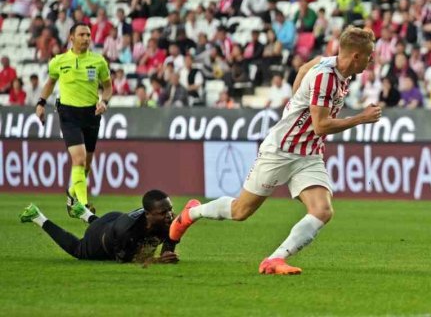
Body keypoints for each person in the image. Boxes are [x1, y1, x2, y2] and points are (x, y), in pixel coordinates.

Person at [169, 27, 382, 275]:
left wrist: (297, 101)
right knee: (241, 211)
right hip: (281, 150)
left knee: (322, 211)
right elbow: (321, 125)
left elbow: (304, 68)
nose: (371, 60)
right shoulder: (326, 77)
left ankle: (275, 259)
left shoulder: (329, 65)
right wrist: (361, 118)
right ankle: (192, 212)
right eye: (369, 55)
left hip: (308, 154)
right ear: (355, 56)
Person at [35, 23, 112, 214]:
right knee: (78, 159)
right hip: (68, 114)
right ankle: (84, 207)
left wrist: (104, 102)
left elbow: (108, 87)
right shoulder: (59, 61)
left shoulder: (99, 61)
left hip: (91, 115)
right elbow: (50, 83)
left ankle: (71, 195)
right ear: (71, 38)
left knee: (86, 165)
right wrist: (41, 103)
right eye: (82, 34)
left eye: (88, 34)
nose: (86, 38)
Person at [18, 190, 179, 264]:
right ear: (148, 214)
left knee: (113, 229)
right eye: (164, 212)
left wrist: (167, 252)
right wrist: (159, 261)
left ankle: (84, 213)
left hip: (113, 219)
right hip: (99, 238)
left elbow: (171, 237)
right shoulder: (128, 233)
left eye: (170, 209)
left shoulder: (166, 220)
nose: (170, 214)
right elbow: (125, 260)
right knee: (78, 250)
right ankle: (37, 216)